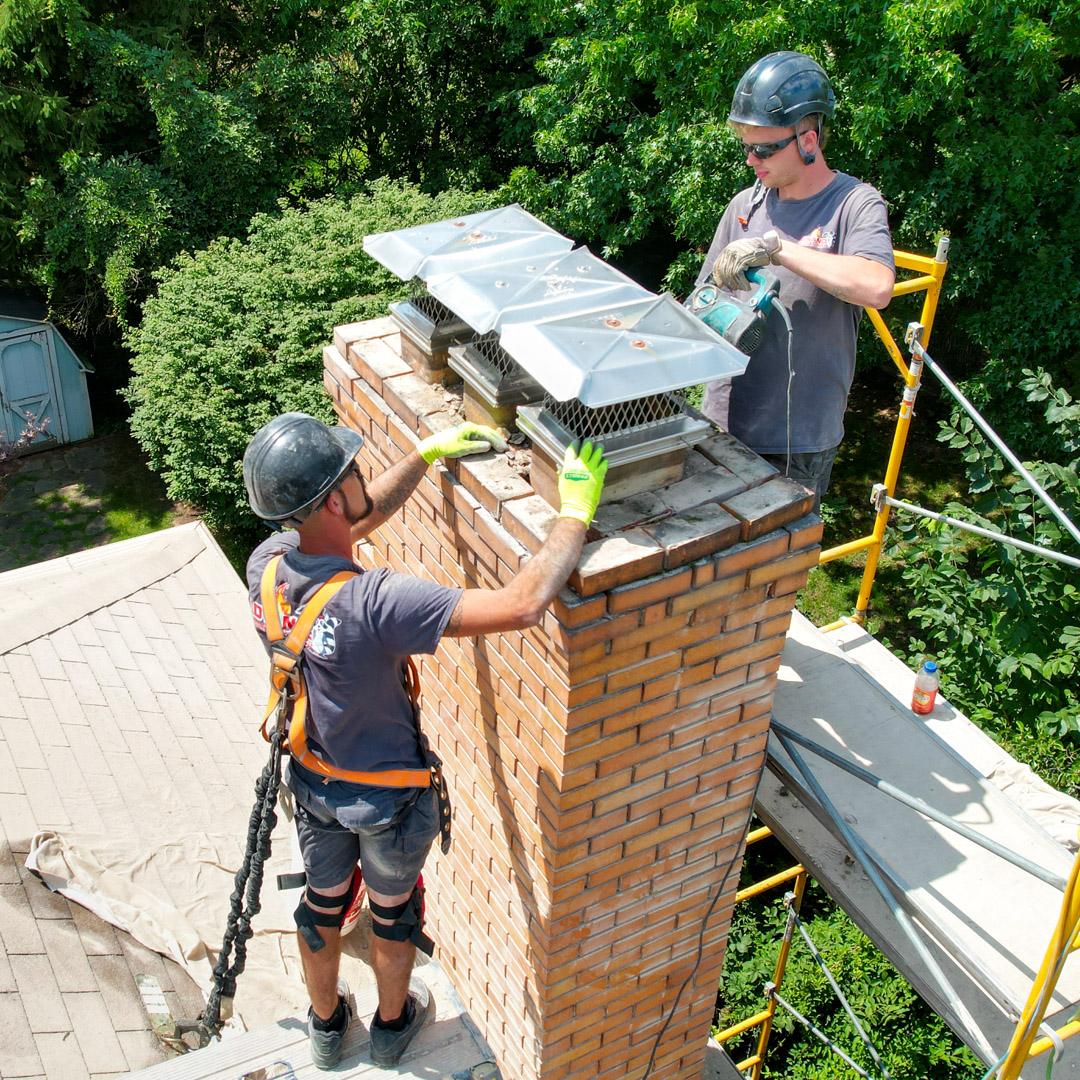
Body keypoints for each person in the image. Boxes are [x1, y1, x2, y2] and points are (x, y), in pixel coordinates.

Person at [242, 412, 606, 1070]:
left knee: (321, 904)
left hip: (315, 785)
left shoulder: (267, 567)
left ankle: (326, 1029)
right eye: (351, 473)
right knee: (392, 910)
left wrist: (423, 454)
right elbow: (523, 604)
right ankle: (391, 1024)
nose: (360, 477)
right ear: (330, 498)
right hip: (385, 803)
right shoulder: (377, 602)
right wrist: (574, 514)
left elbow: (351, 519)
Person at [696, 50, 896, 510]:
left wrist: (778, 249)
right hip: (723, 423)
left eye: (763, 149)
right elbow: (703, 299)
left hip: (796, 442)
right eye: (745, 146)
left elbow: (876, 285)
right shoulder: (745, 206)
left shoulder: (855, 205)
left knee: (774, 576)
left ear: (808, 140)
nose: (750, 160)